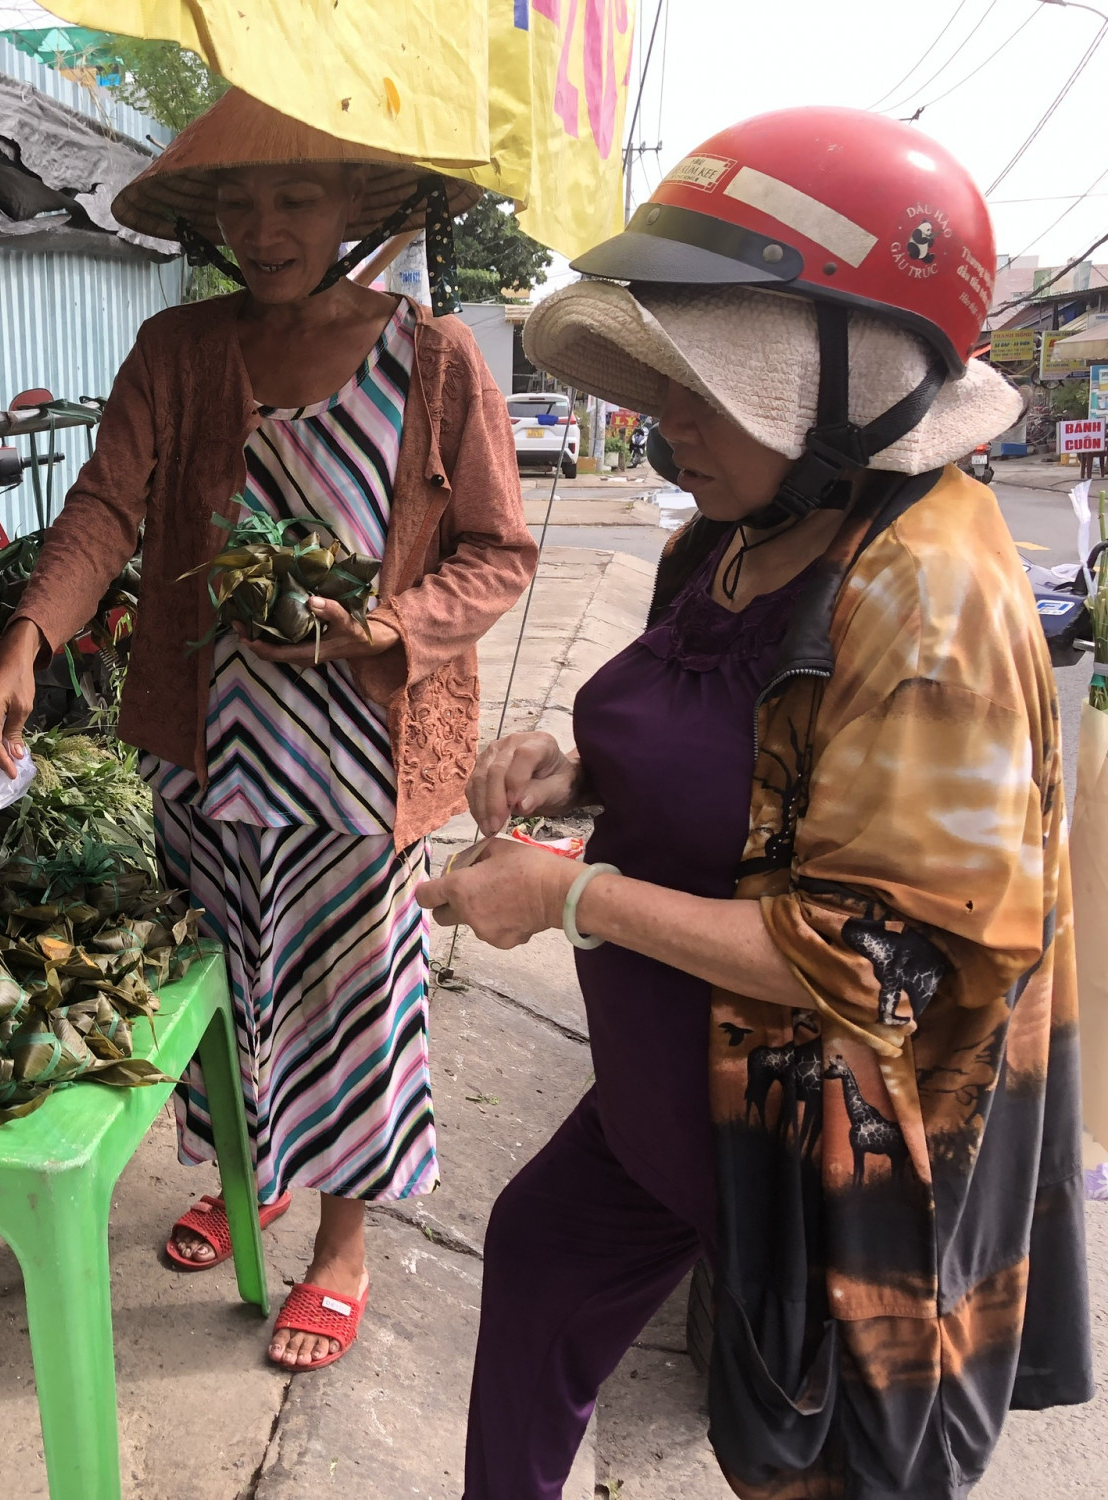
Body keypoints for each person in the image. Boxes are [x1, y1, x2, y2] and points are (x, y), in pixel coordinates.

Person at [418, 109, 1093, 1497]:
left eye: (707, 385)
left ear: (853, 384)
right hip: (673, 1096)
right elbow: (740, 745)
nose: (665, 426)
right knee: (546, 1265)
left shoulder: (933, 590)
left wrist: (569, 894)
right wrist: (577, 771)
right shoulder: (736, 529)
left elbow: (883, 957)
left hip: (831, 1153)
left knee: (812, 1463)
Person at [0, 91, 535, 1371]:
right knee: (220, 994)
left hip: (359, 759)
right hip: (205, 749)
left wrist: (380, 628)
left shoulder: (436, 359)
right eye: (235, 200)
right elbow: (106, 509)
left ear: (350, 207)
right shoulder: (174, 350)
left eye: (290, 197)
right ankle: (247, 1185)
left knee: (352, 996)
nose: (260, 226)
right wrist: (28, 637)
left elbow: (498, 554)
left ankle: (340, 1245)